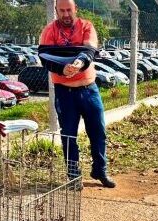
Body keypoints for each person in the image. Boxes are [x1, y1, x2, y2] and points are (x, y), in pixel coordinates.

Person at [39, 0, 116, 189]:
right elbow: (45, 56)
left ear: (76, 10)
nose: (65, 14)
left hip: (89, 89)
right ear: (56, 11)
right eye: (62, 11)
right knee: (68, 136)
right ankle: (73, 176)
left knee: (98, 132)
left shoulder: (86, 26)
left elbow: (89, 50)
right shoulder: (49, 30)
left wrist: (79, 62)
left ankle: (100, 170)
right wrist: (62, 68)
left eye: (69, 10)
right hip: (64, 93)